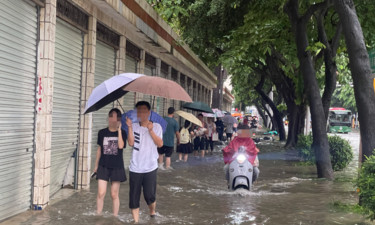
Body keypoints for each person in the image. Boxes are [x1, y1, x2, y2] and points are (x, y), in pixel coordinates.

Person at [126, 101, 163, 223]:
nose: (141, 113)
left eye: (143, 110)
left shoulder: (157, 127)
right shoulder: (134, 126)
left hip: (150, 167)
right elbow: (131, 143)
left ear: (148, 112)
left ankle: (152, 211)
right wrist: (129, 127)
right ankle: (136, 221)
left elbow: (160, 144)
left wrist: (151, 131)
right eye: (138, 110)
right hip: (135, 167)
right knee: (134, 198)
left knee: (149, 196)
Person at [94, 108, 127, 217]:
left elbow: (121, 146)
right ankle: (98, 215)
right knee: (101, 192)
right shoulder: (102, 132)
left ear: (119, 119)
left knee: (114, 194)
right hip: (103, 165)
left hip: (117, 167)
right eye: (111, 117)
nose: (113, 120)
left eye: (116, 117)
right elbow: (99, 149)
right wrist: (96, 166)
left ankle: (115, 217)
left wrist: (119, 131)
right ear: (108, 118)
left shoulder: (122, 133)